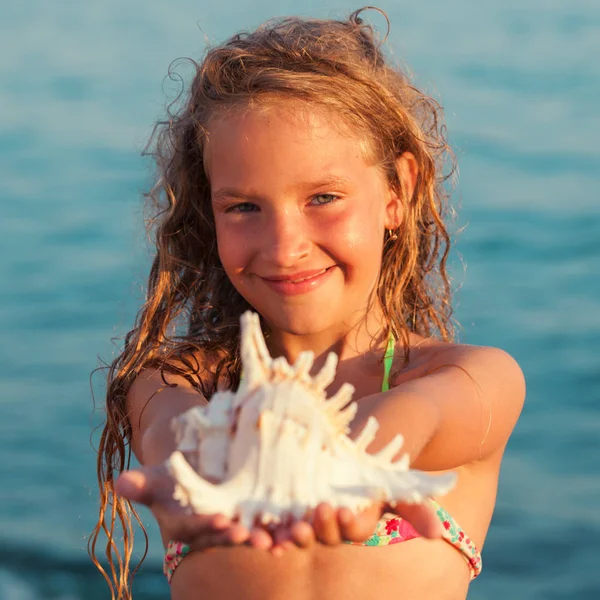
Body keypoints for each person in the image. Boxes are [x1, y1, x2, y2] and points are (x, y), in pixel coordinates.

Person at [89, 8, 525, 600]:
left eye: (323, 197)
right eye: (243, 207)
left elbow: (422, 416)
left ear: (399, 191)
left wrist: (347, 462)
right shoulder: (181, 385)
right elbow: (173, 432)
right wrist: (203, 458)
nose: (285, 247)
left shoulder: (471, 377)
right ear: (208, 212)